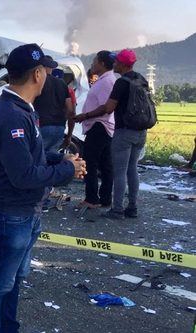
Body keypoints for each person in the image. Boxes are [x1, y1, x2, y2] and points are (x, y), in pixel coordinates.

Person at [0, 44, 86, 333]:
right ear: (38, 74)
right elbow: (23, 175)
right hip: (12, 214)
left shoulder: (22, 109)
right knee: (1, 284)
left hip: (25, 212)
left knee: (12, 280)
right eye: (48, 72)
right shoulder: (13, 115)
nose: (49, 76)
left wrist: (61, 160)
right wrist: (66, 171)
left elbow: (30, 154)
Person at [79, 49, 149, 219]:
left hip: (124, 131)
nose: (114, 64)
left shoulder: (121, 82)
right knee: (132, 170)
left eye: (117, 62)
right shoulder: (141, 79)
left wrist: (85, 115)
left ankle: (117, 210)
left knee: (119, 171)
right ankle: (132, 207)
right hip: (141, 131)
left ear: (123, 64)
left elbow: (108, 108)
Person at [74, 51, 117, 209]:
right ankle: (105, 199)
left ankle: (92, 198)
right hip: (103, 126)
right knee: (106, 164)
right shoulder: (106, 80)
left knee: (90, 163)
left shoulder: (106, 82)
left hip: (99, 125)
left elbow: (106, 107)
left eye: (95, 61)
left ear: (103, 64)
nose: (92, 64)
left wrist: (85, 115)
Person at [33, 55, 75, 156]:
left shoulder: (37, 81)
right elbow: (70, 110)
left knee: (36, 158)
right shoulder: (62, 84)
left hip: (42, 125)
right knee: (51, 159)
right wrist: (69, 135)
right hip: (59, 128)